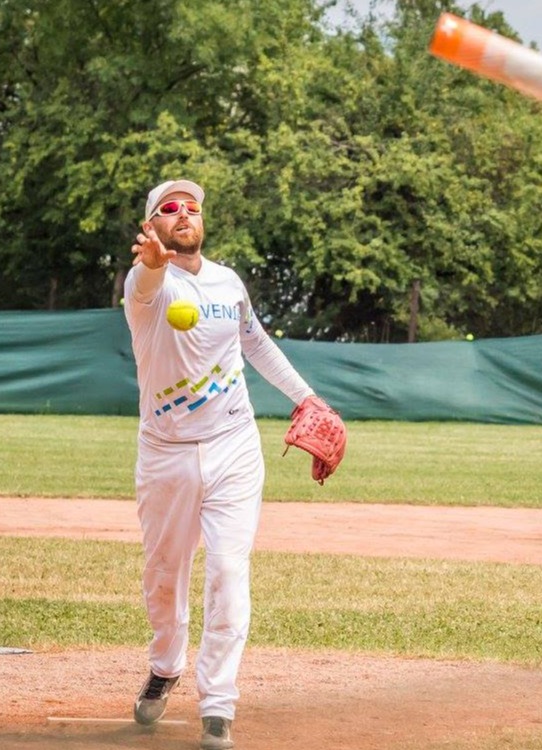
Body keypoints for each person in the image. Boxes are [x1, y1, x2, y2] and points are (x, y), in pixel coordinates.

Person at [123, 179, 320, 750]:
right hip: (166, 453)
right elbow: (146, 280)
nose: (183, 213)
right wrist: (155, 266)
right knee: (164, 575)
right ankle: (166, 665)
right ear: (152, 226)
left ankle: (218, 702)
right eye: (169, 208)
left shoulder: (228, 282)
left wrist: (306, 397)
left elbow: (255, 343)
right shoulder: (145, 285)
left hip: (235, 444)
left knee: (229, 572)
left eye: (191, 207)